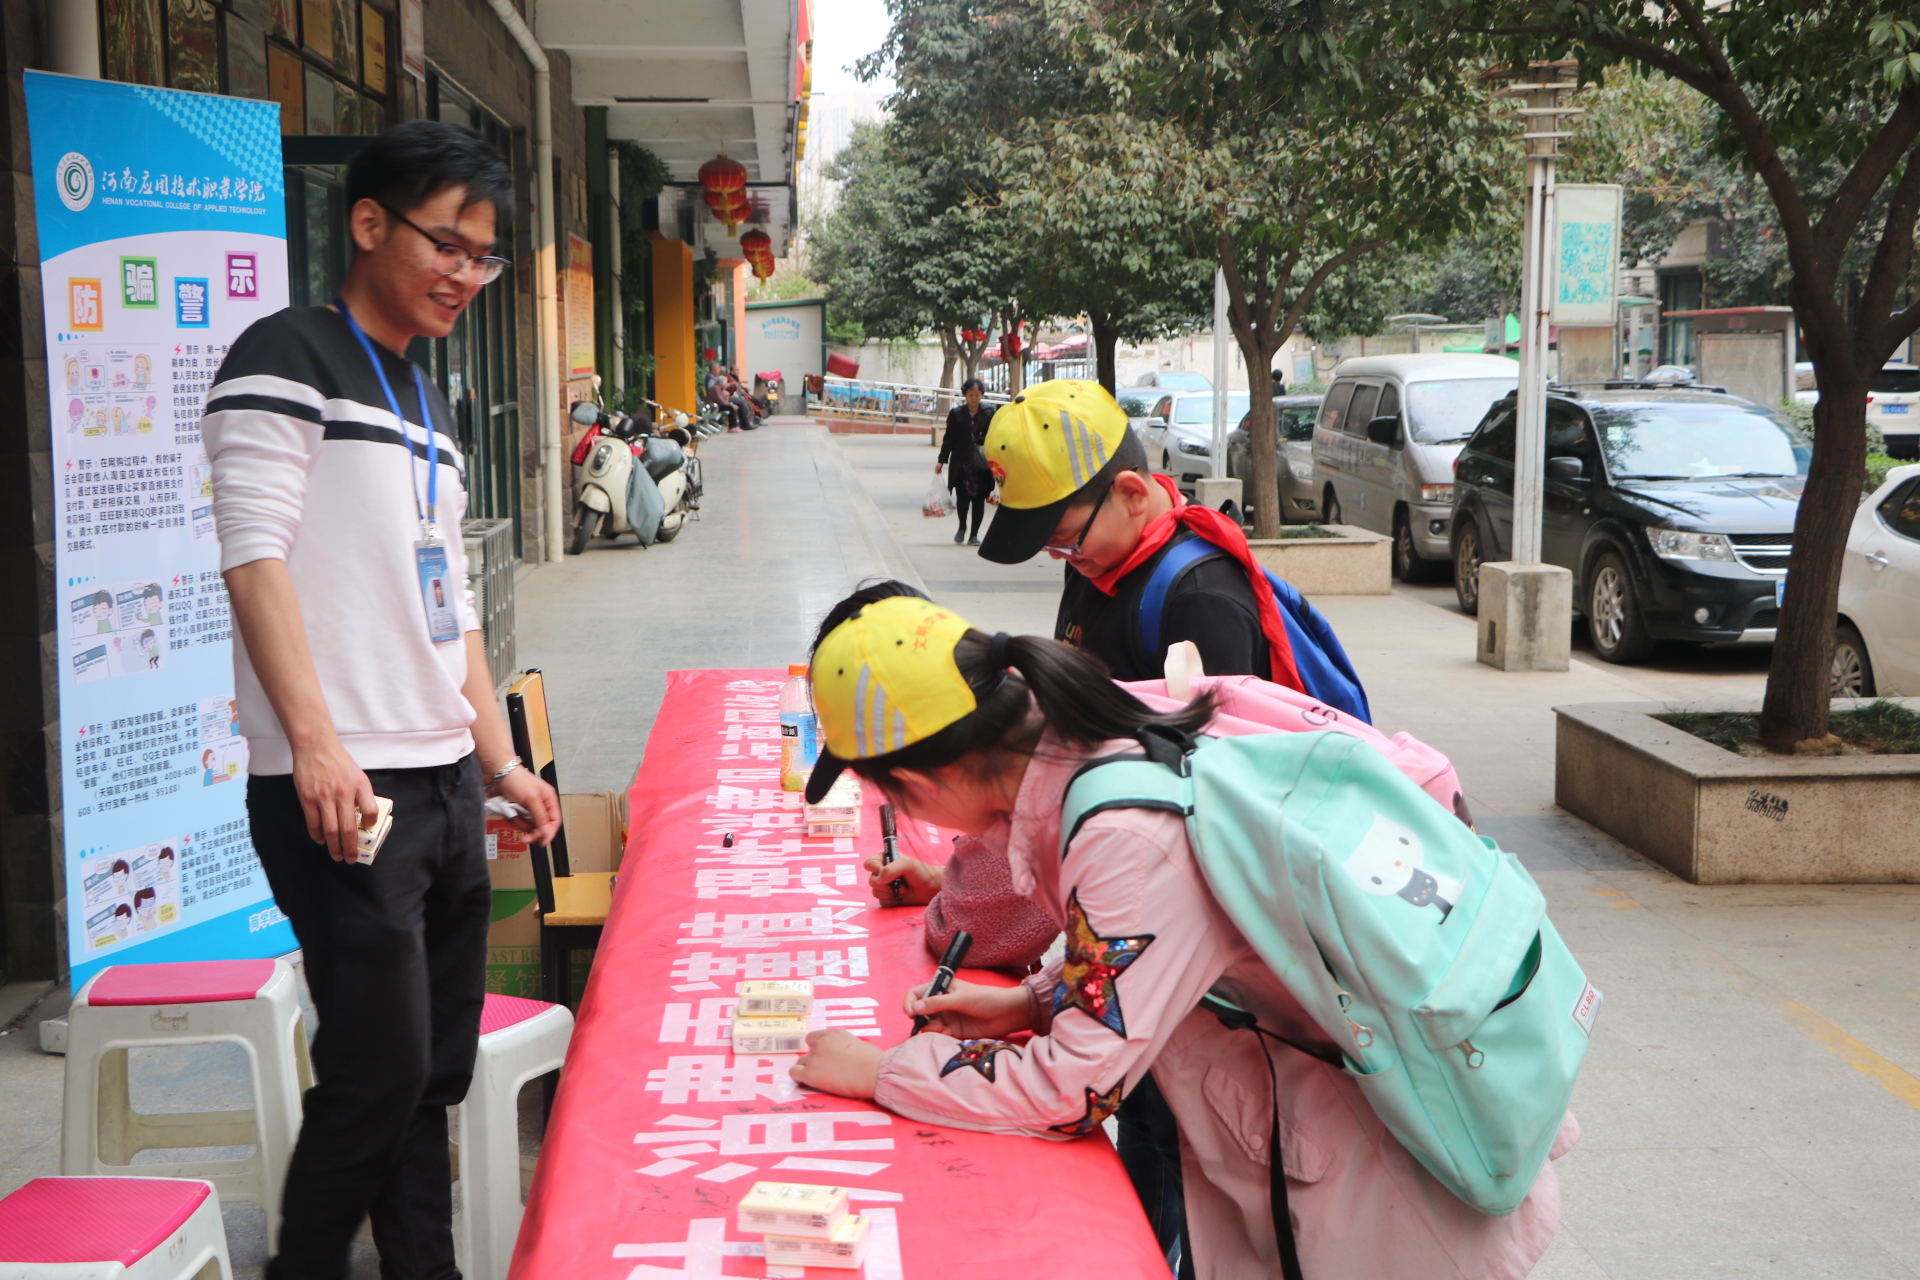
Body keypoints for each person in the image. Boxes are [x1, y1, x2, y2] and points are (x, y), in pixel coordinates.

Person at [787, 595, 1569, 1278]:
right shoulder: (1095, 732)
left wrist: (882, 1071)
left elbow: (1072, 1090)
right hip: (1348, 1131)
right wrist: (1034, 1001)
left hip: (1381, 1185)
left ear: (919, 782)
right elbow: (1169, 933)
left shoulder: (1120, 832)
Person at [205, 120, 562, 1280]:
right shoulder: (286, 354)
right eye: (447, 244)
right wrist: (313, 744)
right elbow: (253, 557)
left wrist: (501, 762)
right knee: (378, 1068)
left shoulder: (426, 395)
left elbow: (450, 606)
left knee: (431, 1070)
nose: (465, 273)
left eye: (482, 256)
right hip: (342, 786)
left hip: (446, 781)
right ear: (369, 222)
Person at [935, 378, 994, 546]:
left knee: (979, 499)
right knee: (962, 498)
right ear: (965, 395)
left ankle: (974, 534)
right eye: (971, 395)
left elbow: (996, 436)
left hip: (981, 464)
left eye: (977, 394)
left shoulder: (989, 413)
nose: (974, 398)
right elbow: (949, 438)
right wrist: (941, 460)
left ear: (981, 395)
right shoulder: (956, 414)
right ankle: (962, 527)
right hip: (962, 463)